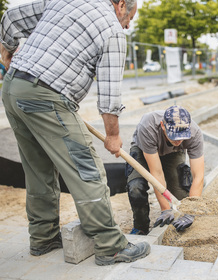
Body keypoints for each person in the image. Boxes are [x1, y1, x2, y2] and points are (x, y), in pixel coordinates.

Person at [0, 0, 150, 266]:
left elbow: (11, 17)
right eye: (129, 18)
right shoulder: (112, 31)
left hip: (13, 89)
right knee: (87, 169)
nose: (128, 25)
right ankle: (110, 245)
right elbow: (109, 94)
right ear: (121, 4)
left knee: (38, 169)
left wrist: (7, 52)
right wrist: (113, 136)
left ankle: (43, 238)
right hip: (47, 97)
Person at [126, 105, 205, 235]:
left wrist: (191, 211)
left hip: (173, 153)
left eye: (182, 136)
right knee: (136, 187)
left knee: (181, 194)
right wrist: (165, 209)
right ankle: (140, 227)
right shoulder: (148, 126)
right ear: (163, 126)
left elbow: (198, 175)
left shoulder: (194, 133)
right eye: (175, 136)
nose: (179, 140)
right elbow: (156, 173)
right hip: (144, 150)